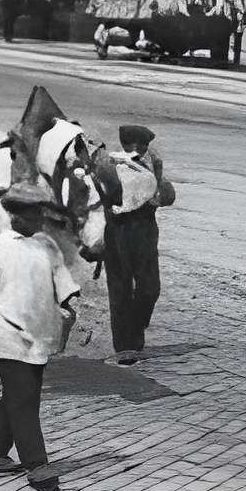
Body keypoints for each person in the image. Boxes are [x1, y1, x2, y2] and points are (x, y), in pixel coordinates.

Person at [0, 185, 75, 491]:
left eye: (41, 212)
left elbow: (62, 285)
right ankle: (38, 467)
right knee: (24, 398)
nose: (40, 218)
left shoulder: (47, 246)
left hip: (40, 335)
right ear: (16, 215)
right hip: (6, 333)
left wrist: (68, 308)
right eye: (34, 213)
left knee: (19, 394)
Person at [91, 123, 177, 367]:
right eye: (132, 144)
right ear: (124, 144)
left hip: (146, 234)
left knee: (150, 289)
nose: (137, 148)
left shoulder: (153, 164)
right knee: (119, 294)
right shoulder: (109, 165)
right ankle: (126, 348)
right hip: (117, 233)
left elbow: (167, 193)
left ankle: (136, 327)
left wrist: (159, 196)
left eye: (142, 145)